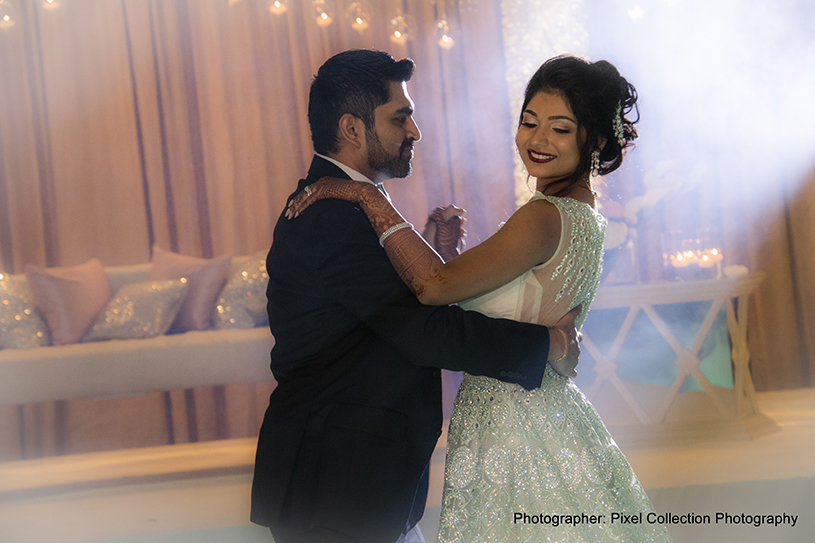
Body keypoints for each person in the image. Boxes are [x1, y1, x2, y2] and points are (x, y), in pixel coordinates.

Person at [288, 55, 673, 542]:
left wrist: (367, 198)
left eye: (559, 129)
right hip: (531, 414)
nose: (536, 139)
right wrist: (447, 255)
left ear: (594, 139)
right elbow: (489, 296)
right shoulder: (583, 213)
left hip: (515, 429)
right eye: (529, 122)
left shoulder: (543, 217)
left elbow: (431, 289)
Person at [250, 49, 583, 543]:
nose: (415, 131)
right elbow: (422, 333)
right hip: (335, 485)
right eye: (401, 117)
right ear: (352, 128)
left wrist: (435, 260)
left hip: (361, 482)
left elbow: (383, 316)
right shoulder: (332, 215)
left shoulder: (347, 200)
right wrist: (545, 345)